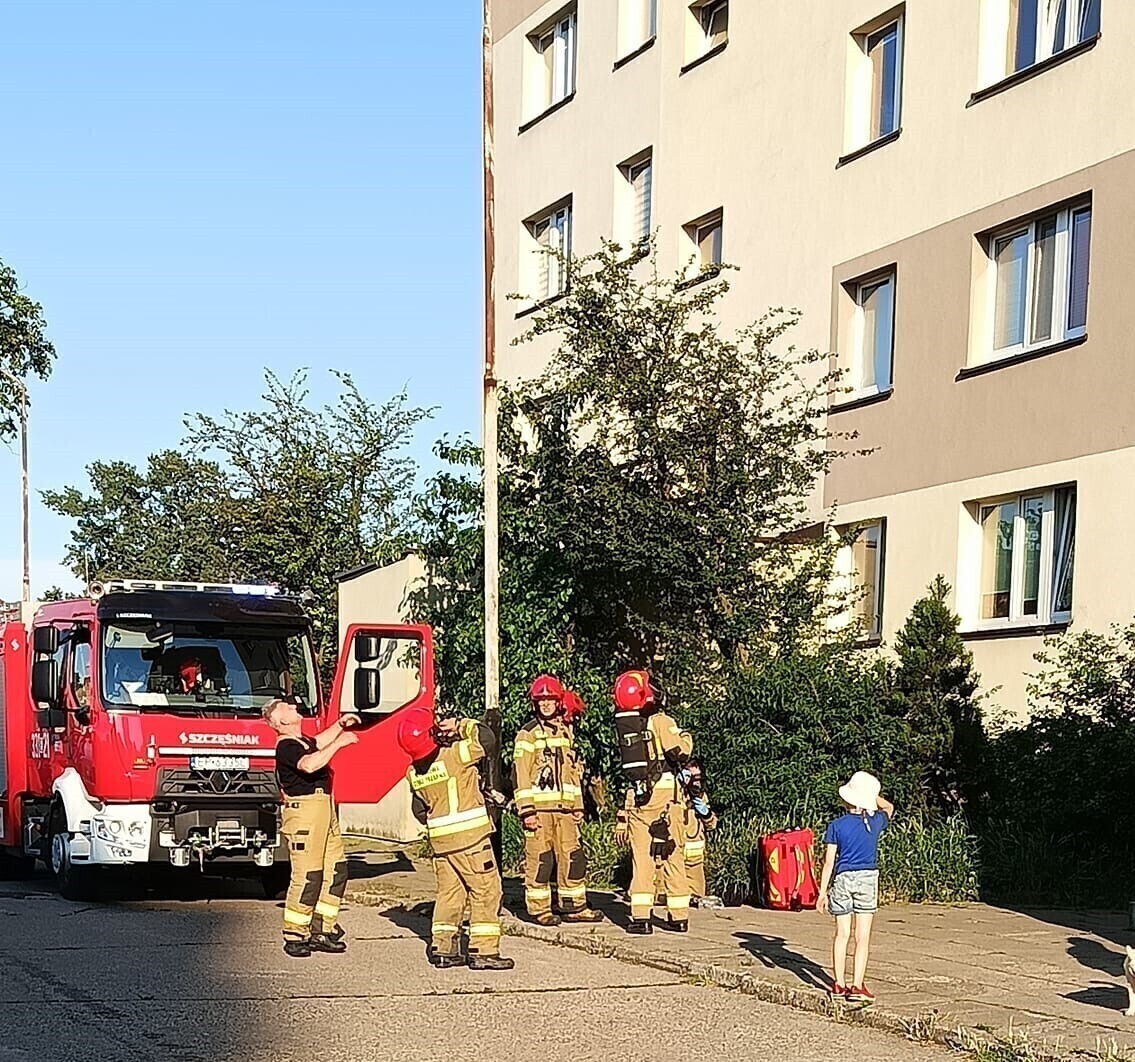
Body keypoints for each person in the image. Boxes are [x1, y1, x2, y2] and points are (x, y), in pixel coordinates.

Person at [402, 709, 514, 971]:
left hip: (441, 844)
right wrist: (460, 724)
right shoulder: (454, 756)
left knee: (449, 895)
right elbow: (487, 740)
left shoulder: (413, 772)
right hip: (471, 839)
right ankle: (483, 950)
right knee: (487, 890)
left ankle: (443, 948)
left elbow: (420, 811)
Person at [262, 697, 359, 958]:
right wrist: (340, 743)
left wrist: (340, 725)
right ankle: (295, 934)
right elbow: (309, 764)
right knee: (308, 875)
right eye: (286, 707)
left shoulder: (302, 741)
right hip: (304, 812)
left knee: (336, 870)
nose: (293, 706)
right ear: (281, 721)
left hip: (323, 807)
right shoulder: (286, 746)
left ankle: (322, 929)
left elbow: (318, 743)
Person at [513, 676, 602, 926]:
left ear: (557, 701)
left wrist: (578, 807)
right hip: (539, 812)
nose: (546, 705)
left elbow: (572, 774)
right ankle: (539, 910)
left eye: (550, 700)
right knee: (541, 861)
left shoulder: (565, 733)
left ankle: (573, 906)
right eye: (541, 701)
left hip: (566, 812)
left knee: (572, 859)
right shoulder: (527, 735)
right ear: (535, 704)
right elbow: (521, 774)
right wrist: (527, 811)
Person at [613, 670, 693, 935]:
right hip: (666, 801)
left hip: (639, 801)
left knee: (642, 860)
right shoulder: (661, 720)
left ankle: (640, 917)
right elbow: (678, 751)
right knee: (672, 856)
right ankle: (678, 916)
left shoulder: (629, 726)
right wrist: (686, 737)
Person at [817, 771, 895, 1005]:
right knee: (863, 937)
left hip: (842, 879)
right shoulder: (875, 822)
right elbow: (889, 808)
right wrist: (874, 797)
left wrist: (822, 892)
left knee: (842, 934)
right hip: (868, 879)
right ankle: (857, 985)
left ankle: (838, 983)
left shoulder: (836, 826)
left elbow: (829, 861)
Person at [679, 757, 721, 908]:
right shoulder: (674, 795)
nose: (696, 782)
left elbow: (712, 825)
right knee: (667, 894)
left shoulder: (701, 796)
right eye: (692, 778)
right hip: (672, 858)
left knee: (697, 895)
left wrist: (705, 813)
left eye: (698, 778)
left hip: (694, 860)